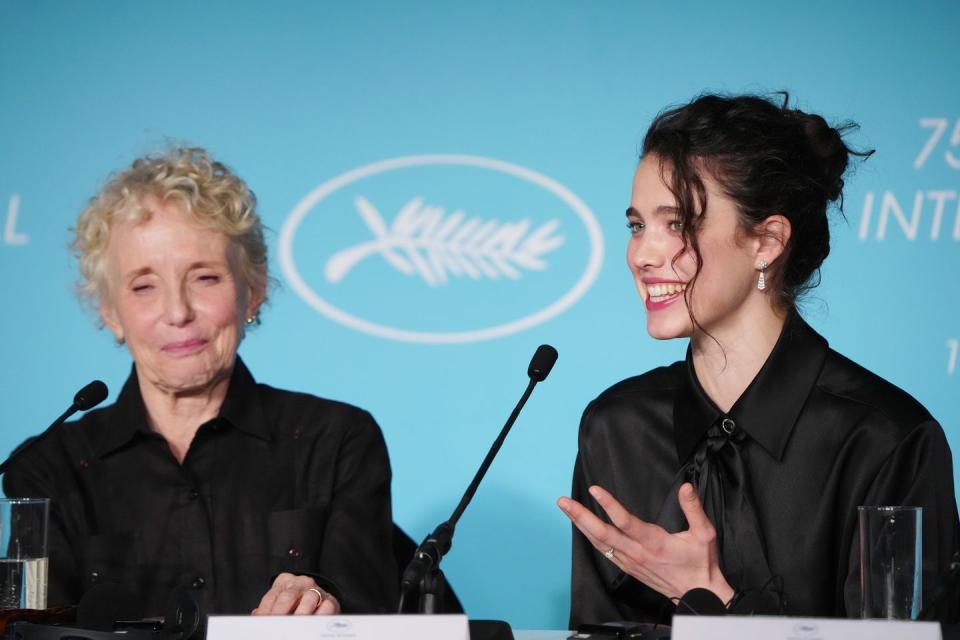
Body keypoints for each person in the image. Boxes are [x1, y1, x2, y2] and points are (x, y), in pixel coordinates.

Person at [557, 94, 960, 626]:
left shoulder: (885, 441)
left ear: (766, 241)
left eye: (676, 224)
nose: (642, 255)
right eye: (637, 226)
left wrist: (715, 601)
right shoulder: (617, 428)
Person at [3, 147, 398, 617]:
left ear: (253, 289)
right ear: (110, 311)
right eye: (143, 285)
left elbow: (371, 618)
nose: (177, 312)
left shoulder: (336, 442)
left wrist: (320, 607)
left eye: (205, 278)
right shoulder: (48, 468)